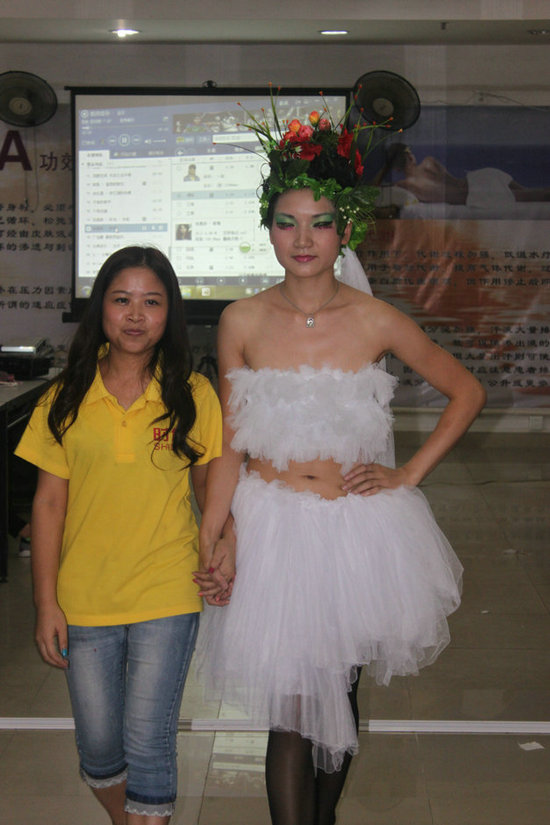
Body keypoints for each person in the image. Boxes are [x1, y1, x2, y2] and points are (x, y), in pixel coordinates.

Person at [192, 103, 486, 825]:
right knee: (294, 710)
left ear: (343, 231)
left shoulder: (376, 318)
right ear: (268, 229)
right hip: (272, 526)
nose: (303, 239)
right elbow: (230, 439)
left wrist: (407, 474)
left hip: (356, 529)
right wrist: (214, 532)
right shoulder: (241, 320)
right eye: (287, 223)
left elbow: (466, 391)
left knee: (340, 694)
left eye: (319, 223)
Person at [15, 246, 222, 825]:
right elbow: (48, 504)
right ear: (100, 309)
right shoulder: (63, 397)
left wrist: (225, 543)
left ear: (169, 313)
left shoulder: (193, 395)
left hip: (166, 589)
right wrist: (45, 602)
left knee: (149, 743)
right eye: (122, 300)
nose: (135, 315)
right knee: (100, 753)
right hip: (84, 597)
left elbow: (212, 491)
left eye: (151, 302)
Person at [374, 142, 550, 206]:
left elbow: (373, 189)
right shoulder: (428, 163)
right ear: (410, 156)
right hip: (478, 181)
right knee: (532, 194)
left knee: (531, 196)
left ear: (395, 168)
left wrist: (385, 166)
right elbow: (453, 181)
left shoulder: (405, 185)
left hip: (474, 192)